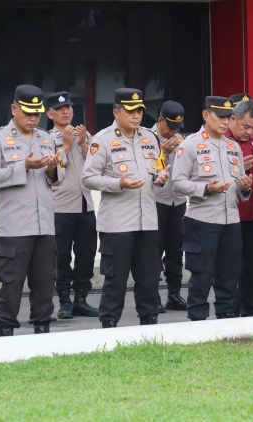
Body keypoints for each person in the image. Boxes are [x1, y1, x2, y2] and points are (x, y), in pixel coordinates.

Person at [0, 84, 66, 336]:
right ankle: (6, 330)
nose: (33, 118)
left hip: (44, 224)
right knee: (11, 283)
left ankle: (42, 328)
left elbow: (57, 177)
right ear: (13, 109)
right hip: (14, 227)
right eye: (27, 112)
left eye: (37, 113)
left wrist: (52, 169)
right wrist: (24, 166)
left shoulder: (46, 137)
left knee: (44, 284)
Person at [82, 88, 170, 328]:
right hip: (117, 224)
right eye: (130, 111)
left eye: (139, 110)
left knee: (149, 277)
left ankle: (149, 321)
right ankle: (110, 324)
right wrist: (117, 183)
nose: (136, 115)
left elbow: (159, 169)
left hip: (148, 221)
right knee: (115, 279)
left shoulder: (150, 138)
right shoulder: (103, 140)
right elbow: (88, 178)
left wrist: (161, 177)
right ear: (116, 112)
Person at [171, 96, 253, 321]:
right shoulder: (189, 145)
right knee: (201, 274)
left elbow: (239, 188)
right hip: (202, 220)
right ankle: (197, 319)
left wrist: (245, 188)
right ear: (206, 115)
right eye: (221, 116)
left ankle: (226, 317)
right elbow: (177, 183)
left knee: (229, 274)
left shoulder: (232, 146)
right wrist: (205, 188)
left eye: (229, 117)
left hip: (231, 220)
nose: (226, 122)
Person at [46, 91, 99, 319]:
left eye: (68, 107)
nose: (65, 111)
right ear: (50, 114)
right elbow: (51, 172)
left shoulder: (85, 136)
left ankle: (81, 299)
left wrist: (83, 144)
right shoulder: (46, 139)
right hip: (60, 208)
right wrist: (66, 147)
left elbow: (97, 168)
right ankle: (65, 301)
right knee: (62, 258)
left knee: (86, 256)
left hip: (86, 206)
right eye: (59, 109)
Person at [226, 97, 253, 316]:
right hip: (233, 213)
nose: (249, 132)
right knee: (233, 264)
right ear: (232, 119)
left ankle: (252, 306)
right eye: (245, 126)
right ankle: (232, 307)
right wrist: (236, 169)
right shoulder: (222, 142)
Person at [150, 100, 188, 313]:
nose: (173, 131)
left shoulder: (182, 139)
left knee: (176, 248)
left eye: (177, 127)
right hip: (156, 200)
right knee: (154, 250)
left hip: (178, 200)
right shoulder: (147, 138)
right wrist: (162, 153)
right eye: (170, 126)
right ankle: (152, 294)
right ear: (160, 120)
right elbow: (145, 169)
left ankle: (174, 294)